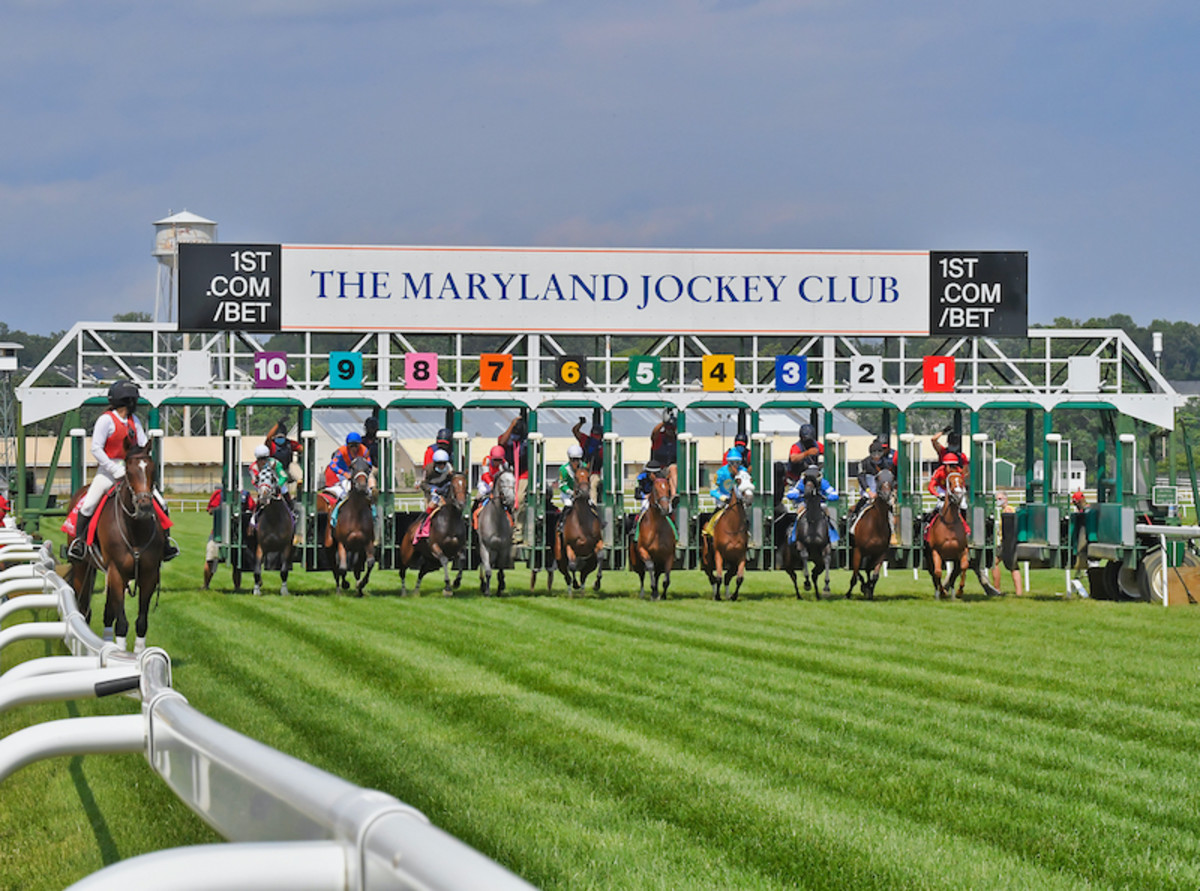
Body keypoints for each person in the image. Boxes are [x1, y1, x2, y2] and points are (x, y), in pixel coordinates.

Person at [65, 380, 178, 562]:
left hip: (133, 469)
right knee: (87, 505)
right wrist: (113, 468)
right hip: (109, 470)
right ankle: (79, 543)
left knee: (161, 503)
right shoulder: (106, 420)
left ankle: (165, 544)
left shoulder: (135, 421)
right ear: (129, 401)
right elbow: (96, 448)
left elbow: (141, 445)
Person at [784, 464, 840, 544]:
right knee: (799, 514)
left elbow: (834, 494)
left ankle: (832, 536)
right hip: (805, 504)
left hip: (820, 504)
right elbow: (791, 493)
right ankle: (793, 535)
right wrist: (798, 495)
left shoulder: (823, 482)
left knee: (827, 515)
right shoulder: (802, 482)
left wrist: (828, 497)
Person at [247, 444, 293, 533]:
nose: (262, 462)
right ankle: (253, 522)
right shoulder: (253, 467)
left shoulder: (276, 463)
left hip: (276, 484)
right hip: (262, 486)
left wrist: (277, 486)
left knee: (284, 490)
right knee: (261, 499)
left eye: (265, 459)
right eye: (260, 459)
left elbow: (283, 476)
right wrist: (262, 489)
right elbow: (254, 481)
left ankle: (291, 509)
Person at [849, 436, 898, 519]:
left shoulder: (886, 463)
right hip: (867, 488)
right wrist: (869, 491)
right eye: (874, 454)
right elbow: (861, 478)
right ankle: (853, 518)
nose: (876, 456)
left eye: (879, 453)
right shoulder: (864, 463)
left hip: (880, 488)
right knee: (862, 502)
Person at [499, 416, 529, 540]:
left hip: (523, 473)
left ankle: (519, 530)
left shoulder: (527, 442)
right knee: (506, 498)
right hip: (509, 472)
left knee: (520, 498)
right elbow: (501, 442)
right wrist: (511, 426)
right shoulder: (507, 439)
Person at [323, 431, 372, 502]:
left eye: (356, 445)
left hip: (358, 475)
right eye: (351, 445)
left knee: (369, 492)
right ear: (348, 445)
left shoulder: (364, 450)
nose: (354, 448)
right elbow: (333, 465)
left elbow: (369, 464)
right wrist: (344, 473)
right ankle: (338, 510)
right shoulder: (341, 451)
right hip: (343, 476)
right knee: (346, 492)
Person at [991, 491, 1023, 596]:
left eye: (1000, 499)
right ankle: (1018, 593)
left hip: (1007, 543)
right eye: (997, 499)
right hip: (1005, 542)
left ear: (1006, 499)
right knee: (1013, 567)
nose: (998, 501)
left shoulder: (1008, 510)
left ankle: (997, 589)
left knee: (995, 563)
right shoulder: (1005, 510)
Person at [265, 419, 303, 494]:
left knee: (293, 465)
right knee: (283, 492)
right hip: (275, 473)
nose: (280, 438)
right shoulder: (271, 445)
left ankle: (300, 480)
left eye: (282, 436)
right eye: (278, 437)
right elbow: (268, 437)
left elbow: (301, 448)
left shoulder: (289, 443)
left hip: (287, 471)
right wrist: (278, 424)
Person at [572, 416, 604, 503]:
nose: (595, 437)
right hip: (582, 470)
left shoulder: (603, 447)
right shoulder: (585, 440)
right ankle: (573, 502)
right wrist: (581, 423)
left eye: (597, 435)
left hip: (594, 473)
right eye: (594, 434)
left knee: (593, 485)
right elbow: (575, 431)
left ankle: (592, 504)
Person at [649, 408, 678, 498]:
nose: (671, 431)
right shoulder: (659, 438)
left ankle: (674, 496)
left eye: (672, 429)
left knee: (673, 468)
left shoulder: (677, 440)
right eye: (669, 429)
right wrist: (664, 422)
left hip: (671, 471)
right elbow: (654, 433)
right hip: (657, 470)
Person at [785, 423, 823, 488]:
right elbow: (793, 458)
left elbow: (828, 453)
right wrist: (806, 453)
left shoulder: (817, 445)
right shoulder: (796, 446)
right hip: (796, 477)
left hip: (812, 474)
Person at [558, 443, 586, 513]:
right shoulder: (563, 469)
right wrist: (571, 492)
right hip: (568, 494)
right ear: (569, 459)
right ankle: (562, 521)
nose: (575, 462)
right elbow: (562, 485)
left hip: (581, 493)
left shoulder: (584, 467)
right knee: (568, 504)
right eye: (573, 460)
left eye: (577, 459)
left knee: (591, 503)